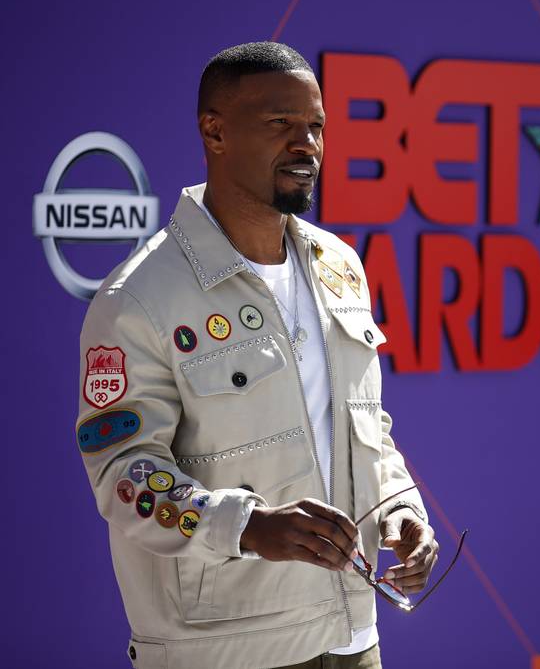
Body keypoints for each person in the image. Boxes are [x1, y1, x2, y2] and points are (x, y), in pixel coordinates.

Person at [75, 41, 438, 669]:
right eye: (280, 124)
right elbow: (124, 474)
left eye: (315, 126)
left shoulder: (339, 267)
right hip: (222, 650)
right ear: (214, 131)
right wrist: (244, 527)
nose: (307, 145)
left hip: (355, 637)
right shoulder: (138, 298)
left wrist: (401, 510)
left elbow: (364, 429)